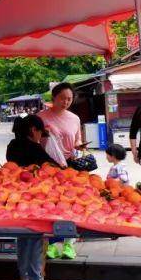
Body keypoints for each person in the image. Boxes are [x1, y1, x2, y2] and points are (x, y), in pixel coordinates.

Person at [6, 115, 60, 280]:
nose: (41, 136)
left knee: (23, 237)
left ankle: (24, 277)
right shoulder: (34, 148)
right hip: (34, 199)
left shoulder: (12, 146)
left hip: (16, 197)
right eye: (40, 132)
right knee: (36, 236)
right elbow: (53, 168)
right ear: (33, 130)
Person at [38, 82, 83, 259]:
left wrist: (80, 147)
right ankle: (50, 244)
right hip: (48, 167)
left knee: (71, 205)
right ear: (54, 97)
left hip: (69, 167)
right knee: (50, 205)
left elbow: (77, 141)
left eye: (69, 99)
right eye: (62, 98)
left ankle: (68, 245)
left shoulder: (75, 118)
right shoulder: (41, 117)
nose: (66, 102)